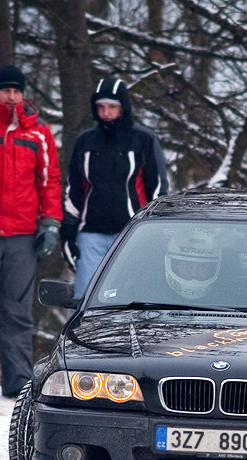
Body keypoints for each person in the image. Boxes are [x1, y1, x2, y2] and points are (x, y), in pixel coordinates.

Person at [0, 65, 62, 402]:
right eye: (6, 91)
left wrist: (50, 221)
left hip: (22, 235)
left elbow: (50, 180)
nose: (12, 97)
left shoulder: (38, 131)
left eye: (17, 91)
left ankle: (17, 381)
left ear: (23, 94)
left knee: (17, 312)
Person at [61, 77, 168, 298]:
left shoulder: (143, 139)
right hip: (91, 233)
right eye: (100, 107)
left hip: (131, 232)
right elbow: (74, 190)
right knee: (86, 298)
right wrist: (68, 234)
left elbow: (157, 188)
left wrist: (155, 232)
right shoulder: (85, 142)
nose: (106, 112)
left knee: (131, 298)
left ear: (123, 108)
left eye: (112, 107)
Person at [163, 229, 221, 301]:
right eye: (186, 266)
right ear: (174, 265)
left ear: (211, 269)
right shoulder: (151, 295)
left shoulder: (227, 297)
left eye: (202, 267)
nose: (193, 273)